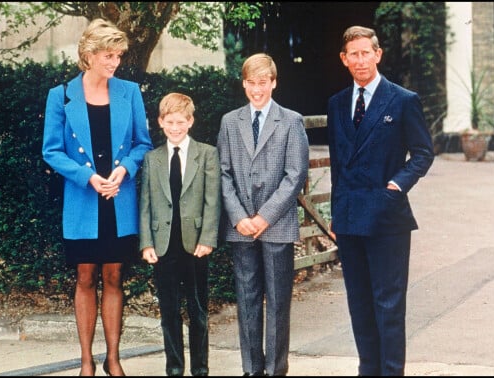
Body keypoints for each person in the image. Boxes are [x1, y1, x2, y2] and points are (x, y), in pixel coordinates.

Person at [42, 18, 153, 376]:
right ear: (88, 55)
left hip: (119, 199)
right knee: (86, 276)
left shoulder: (130, 91)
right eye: (109, 55)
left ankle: (114, 359)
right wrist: (88, 176)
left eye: (118, 55)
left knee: (115, 275)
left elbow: (142, 144)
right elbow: (52, 151)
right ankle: (87, 361)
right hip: (84, 201)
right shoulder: (60, 96)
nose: (115, 62)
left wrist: (125, 170)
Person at [327, 25, 434, 376]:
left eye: (365, 53)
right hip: (349, 217)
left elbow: (422, 153)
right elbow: (338, 163)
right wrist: (334, 213)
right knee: (359, 304)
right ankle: (367, 370)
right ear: (344, 60)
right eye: (352, 54)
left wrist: (396, 185)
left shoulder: (402, 100)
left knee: (388, 304)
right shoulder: (337, 104)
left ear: (378, 54)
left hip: (387, 218)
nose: (360, 60)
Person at [216, 53, 309, 376]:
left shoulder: (291, 121)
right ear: (244, 84)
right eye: (251, 83)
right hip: (240, 226)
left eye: (263, 83)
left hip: (277, 225)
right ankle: (251, 368)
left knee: (278, 301)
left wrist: (265, 216)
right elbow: (223, 173)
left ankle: (275, 369)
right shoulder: (230, 122)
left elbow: (295, 174)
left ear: (274, 83)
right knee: (247, 299)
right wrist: (239, 216)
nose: (257, 90)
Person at [139, 92, 221, 376]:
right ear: (161, 122)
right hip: (163, 245)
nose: (175, 128)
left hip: (195, 243)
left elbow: (213, 200)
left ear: (191, 121)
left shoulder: (206, 154)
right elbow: (146, 203)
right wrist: (146, 243)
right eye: (170, 122)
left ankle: (200, 368)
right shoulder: (152, 159)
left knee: (197, 310)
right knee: (169, 310)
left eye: (181, 122)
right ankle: (174, 367)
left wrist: (207, 237)